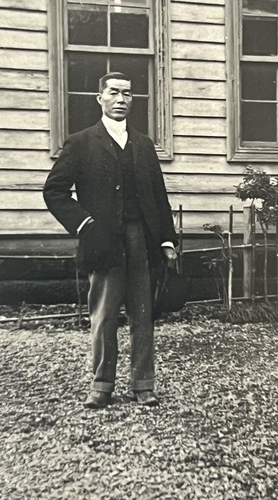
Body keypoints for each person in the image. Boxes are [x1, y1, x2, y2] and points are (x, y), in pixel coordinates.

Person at [43, 72, 178, 409]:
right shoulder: (82, 142)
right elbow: (54, 191)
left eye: (128, 94)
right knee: (103, 316)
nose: (121, 99)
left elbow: (158, 196)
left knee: (142, 314)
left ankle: (143, 383)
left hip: (142, 241)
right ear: (99, 98)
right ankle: (101, 384)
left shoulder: (144, 145)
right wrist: (85, 223)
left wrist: (166, 239)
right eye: (114, 93)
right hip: (102, 241)